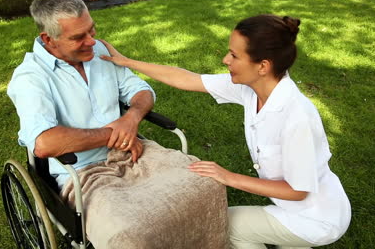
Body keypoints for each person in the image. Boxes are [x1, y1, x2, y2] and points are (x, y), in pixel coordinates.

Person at [100, 14, 351, 248]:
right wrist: (126, 62)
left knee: (225, 223)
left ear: (262, 66)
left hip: (317, 217)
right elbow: (188, 79)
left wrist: (227, 176)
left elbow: (298, 191)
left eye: (234, 55)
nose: (225, 60)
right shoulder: (251, 87)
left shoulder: (297, 117)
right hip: (297, 207)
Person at [7, 0, 155, 188]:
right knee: (135, 219)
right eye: (78, 37)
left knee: (203, 183)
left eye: (91, 29)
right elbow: (43, 143)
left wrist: (132, 118)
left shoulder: (100, 51)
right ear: (48, 39)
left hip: (132, 151)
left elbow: (141, 90)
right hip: (81, 174)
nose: (92, 41)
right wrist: (115, 135)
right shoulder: (30, 78)